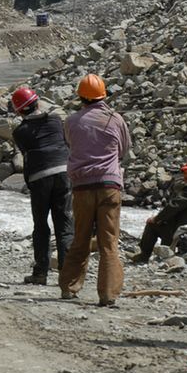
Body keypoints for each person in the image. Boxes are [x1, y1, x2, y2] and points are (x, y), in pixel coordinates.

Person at [58, 74, 131, 306]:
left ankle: (69, 287)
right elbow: (124, 149)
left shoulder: (70, 121)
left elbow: (71, 144)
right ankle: (108, 294)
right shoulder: (115, 119)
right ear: (104, 95)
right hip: (109, 186)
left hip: (81, 188)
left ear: (80, 97)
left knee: (80, 238)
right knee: (108, 242)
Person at [11, 87, 74, 285]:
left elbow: (27, 150)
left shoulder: (20, 132)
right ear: (37, 103)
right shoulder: (55, 120)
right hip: (64, 173)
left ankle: (41, 273)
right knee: (64, 224)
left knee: (41, 226)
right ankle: (68, 276)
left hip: (40, 178)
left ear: (19, 111)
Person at [130, 157, 187, 263]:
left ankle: (145, 256)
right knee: (167, 223)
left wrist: (157, 218)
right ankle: (165, 255)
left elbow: (174, 206)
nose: (185, 175)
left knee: (153, 225)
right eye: (185, 172)